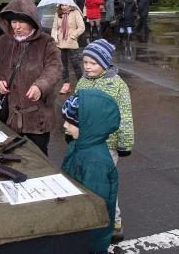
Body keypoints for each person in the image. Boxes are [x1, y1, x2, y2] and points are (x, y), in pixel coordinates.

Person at [0, 0, 62, 155]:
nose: (16, 26)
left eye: (21, 22)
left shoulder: (46, 42)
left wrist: (40, 86)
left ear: (32, 21)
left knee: (38, 162)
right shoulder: (2, 42)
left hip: (37, 120)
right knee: (10, 160)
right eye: (13, 22)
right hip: (10, 117)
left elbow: (54, 68)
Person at [74, 39, 134, 243]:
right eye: (85, 62)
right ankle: (91, 221)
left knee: (104, 186)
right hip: (85, 144)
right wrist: (71, 131)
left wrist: (125, 144)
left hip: (108, 146)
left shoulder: (118, 85)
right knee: (86, 183)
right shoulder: (82, 82)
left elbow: (125, 116)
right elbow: (74, 110)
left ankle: (115, 225)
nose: (88, 67)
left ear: (105, 63)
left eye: (93, 63)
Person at [62, 89, 121, 253]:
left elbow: (95, 208)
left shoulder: (95, 161)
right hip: (78, 228)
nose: (64, 125)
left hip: (89, 238)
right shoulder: (78, 145)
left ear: (89, 125)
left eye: (70, 122)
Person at [51, 3, 85, 94]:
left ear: (70, 5)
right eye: (62, 5)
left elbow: (82, 27)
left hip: (71, 43)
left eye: (66, 5)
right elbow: (54, 28)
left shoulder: (75, 13)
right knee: (63, 66)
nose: (64, 7)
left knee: (76, 65)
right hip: (60, 43)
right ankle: (66, 85)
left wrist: (73, 35)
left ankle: (82, 85)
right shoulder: (58, 14)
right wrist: (55, 37)